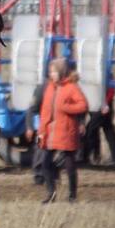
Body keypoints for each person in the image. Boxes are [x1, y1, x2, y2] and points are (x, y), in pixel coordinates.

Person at [37, 58, 88, 203]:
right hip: (50, 133)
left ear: (62, 72)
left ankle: (72, 196)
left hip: (66, 131)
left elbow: (83, 105)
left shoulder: (72, 87)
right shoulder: (49, 88)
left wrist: (66, 108)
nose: (51, 74)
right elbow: (45, 112)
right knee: (45, 163)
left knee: (69, 164)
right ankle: (51, 194)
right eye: (50, 71)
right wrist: (41, 131)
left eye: (54, 71)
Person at [79, 86, 115, 168]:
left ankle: (86, 156)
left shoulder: (102, 74)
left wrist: (106, 103)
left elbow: (110, 88)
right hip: (96, 105)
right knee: (108, 130)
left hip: (102, 106)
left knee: (91, 130)